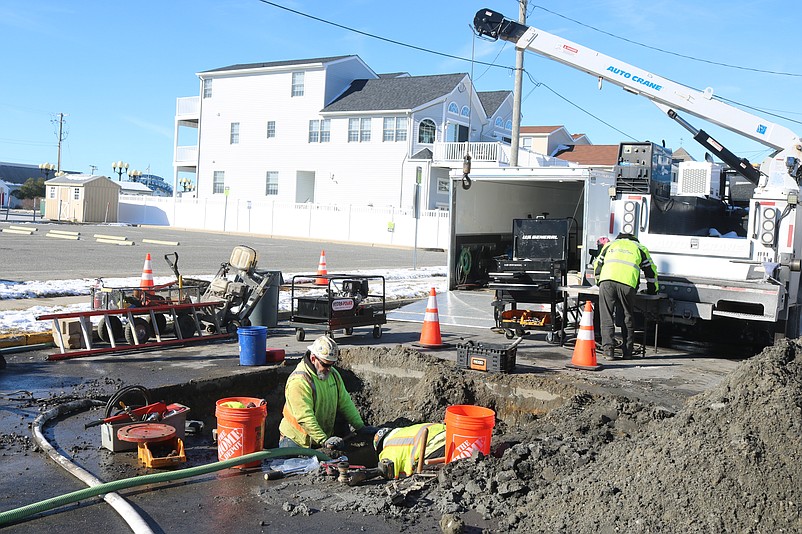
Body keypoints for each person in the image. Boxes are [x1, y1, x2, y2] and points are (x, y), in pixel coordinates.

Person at [278, 335, 374, 449]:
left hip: (317, 438)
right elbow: (304, 417)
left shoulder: (333, 375)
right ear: (313, 358)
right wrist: (323, 440)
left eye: (332, 364)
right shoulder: (299, 381)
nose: (329, 368)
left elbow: (345, 401)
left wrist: (360, 427)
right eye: (325, 364)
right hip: (295, 441)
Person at [593, 232, 659, 360]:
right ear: (634, 239)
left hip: (606, 282)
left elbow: (598, 265)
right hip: (627, 284)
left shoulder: (610, 245)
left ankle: (608, 351)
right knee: (627, 317)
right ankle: (627, 352)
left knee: (606, 317)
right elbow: (651, 271)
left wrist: (598, 282)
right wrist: (652, 291)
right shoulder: (639, 248)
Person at [373, 423, 446, 479]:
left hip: (434, 449)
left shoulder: (388, 448)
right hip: (451, 433)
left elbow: (390, 471)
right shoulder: (407, 430)